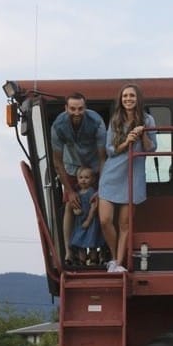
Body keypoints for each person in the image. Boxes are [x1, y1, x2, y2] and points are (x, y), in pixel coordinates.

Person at [98, 83, 156, 273]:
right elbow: (110, 150)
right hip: (112, 174)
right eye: (125, 96)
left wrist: (141, 136)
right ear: (121, 100)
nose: (128, 99)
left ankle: (117, 262)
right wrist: (127, 141)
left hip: (133, 175)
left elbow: (151, 148)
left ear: (138, 98)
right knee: (105, 220)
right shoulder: (115, 120)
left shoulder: (148, 120)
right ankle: (113, 257)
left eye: (131, 96)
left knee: (125, 224)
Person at [50, 92, 107, 256]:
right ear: (66, 108)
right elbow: (57, 162)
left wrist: (100, 188)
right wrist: (69, 191)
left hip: (95, 167)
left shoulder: (96, 122)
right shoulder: (58, 127)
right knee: (70, 205)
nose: (77, 112)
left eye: (80, 108)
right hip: (71, 167)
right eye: (73, 108)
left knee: (100, 205)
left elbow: (103, 158)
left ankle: (101, 250)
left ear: (85, 108)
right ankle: (68, 250)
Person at [66, 166, 104, 266]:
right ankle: (81, 260)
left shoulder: (92, 192)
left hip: (91, 221)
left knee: (92, 241)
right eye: (81, 177)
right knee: (80, 242)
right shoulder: (77, 193)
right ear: (77, 179)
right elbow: (76, 205)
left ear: (93, 180)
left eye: (87, 178)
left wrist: (88, 220)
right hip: (80, 221)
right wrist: (76, 211)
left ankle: (93, 259)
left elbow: (93, 208)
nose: (83, 180)